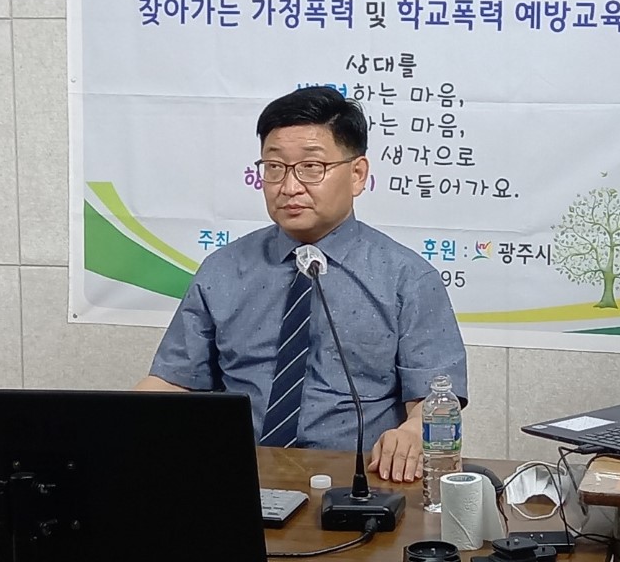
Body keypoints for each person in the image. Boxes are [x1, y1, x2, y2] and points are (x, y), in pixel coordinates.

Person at [135, 86, 467, 483]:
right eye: (275, 167)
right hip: (236, 475)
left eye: (311, 167)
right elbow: (173, 381)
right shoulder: (222, 270)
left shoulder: (406, 277)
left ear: (357, 174)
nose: (289, 187)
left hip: (357, 481)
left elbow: (434, 399)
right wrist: (112, 426)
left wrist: (412, 433)